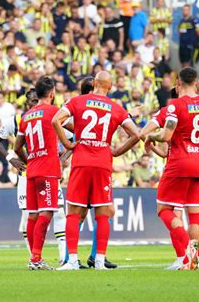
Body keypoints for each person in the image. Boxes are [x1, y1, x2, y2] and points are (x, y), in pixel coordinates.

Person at [52, 71, 140, 270]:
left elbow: (56, 120)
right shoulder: (116, 108)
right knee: (102, 213)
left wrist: (68, 144)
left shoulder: (78, 101)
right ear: (109, 86)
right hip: (103, 162)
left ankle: (72, 260)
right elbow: (136, 134)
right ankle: (99, 260)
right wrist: (117, 151)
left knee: (73, 212)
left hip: (81, 161)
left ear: (94, 84)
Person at [145, 67, 199, 270]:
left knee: (164, 209)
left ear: (178, 84)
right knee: (196, 212)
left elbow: (159, 133)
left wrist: (147, 137)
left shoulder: (174, 106)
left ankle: (186, 252)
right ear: (196, 83)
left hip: (178, 164)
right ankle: (196, 258)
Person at [14, 76, 70, 270]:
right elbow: (75, 126)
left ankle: (34, 257)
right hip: (48, 169)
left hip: (32, 169)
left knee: (32, 215)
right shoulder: (55, 112)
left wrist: (29, 159)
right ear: (52, 93)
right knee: (46, 212)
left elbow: (17, 147)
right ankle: (36, 259)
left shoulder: (26, 116)